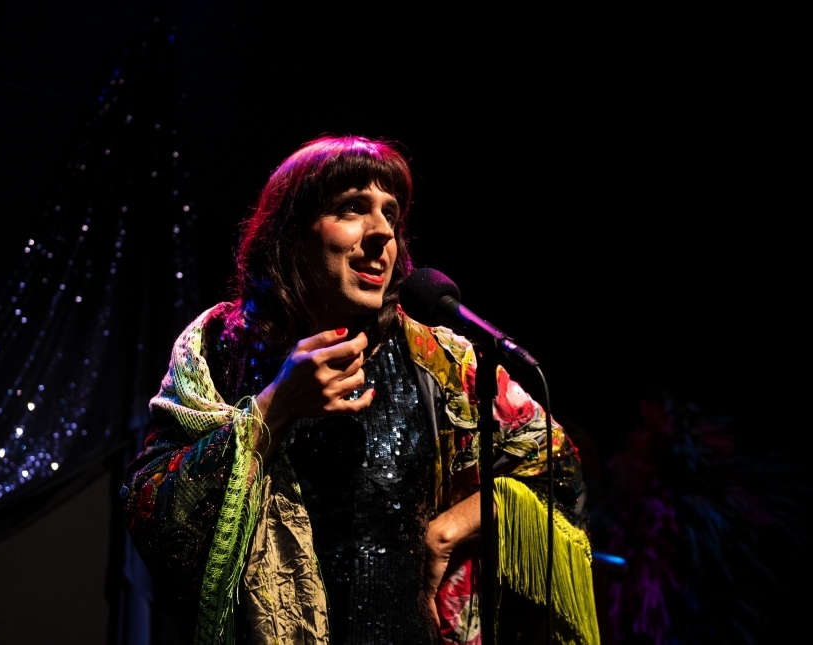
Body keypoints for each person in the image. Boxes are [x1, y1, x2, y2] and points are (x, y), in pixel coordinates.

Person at [121, 136, 599, 645]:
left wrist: (450, 529)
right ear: (291, 231)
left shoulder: (438, 360)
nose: (382, 232)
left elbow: (557, 467)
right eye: (352, 208)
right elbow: (153, 511)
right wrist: (273, 409)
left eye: (391, 214)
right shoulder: (222, 346)